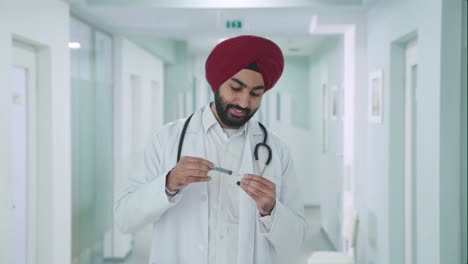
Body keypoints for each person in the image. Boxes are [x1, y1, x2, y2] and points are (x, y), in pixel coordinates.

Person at [115, 35, 307, 264]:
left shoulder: (276, 150)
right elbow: (124, 219)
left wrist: (271, 210)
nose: (244, 102)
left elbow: (297, 241)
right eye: (236, 88)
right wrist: (168, 183)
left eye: (256, 93)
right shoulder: (167, 139)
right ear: (217, 83)